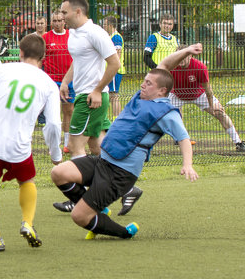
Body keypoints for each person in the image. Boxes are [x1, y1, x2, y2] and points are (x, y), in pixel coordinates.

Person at [50, 69, 197, 240]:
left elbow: (184, 139)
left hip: (119, 173)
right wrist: (186, 52)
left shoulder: (167, 113)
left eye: (149, 83)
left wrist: (187, 164)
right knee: (59, 173)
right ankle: (97, 210)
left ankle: (124, 233)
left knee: (79, 216)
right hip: (102, 162)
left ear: (162, 91)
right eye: (144, 80)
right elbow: (164, 66)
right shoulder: (141, 98)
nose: (143, 84)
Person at [0, 34, 63, 251]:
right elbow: (53, 125)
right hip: (19, 144)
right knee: (27, 179)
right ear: (43, 57)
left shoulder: (3, 69)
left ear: (20, 52)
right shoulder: (49, 84)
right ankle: (27, 223)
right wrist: (55, 153)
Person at [59, 0, 120, 158]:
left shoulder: (95, 33)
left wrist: (97, 90)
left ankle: (81, 184)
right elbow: (77, 61)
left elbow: (115, 63)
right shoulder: (73, 33)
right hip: (84, 95)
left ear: (78, 11)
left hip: (90, 98)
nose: (61, 16)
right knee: (97, 145)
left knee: (74, 146)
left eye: (64, 12)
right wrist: (65, 81)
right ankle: (116, 180)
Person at [160, 43, 245, 152]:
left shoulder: (200, 67)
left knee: (220, 112)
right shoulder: (171, 66)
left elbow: (208, 90)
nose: (181, 59)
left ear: (190, 56)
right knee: (163, 115)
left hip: (198, 94)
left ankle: (238, 142)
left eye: (184, 56)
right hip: (177, 95)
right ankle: (179, 138)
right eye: (179, 56)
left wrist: (212, 105)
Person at [43, 10, 75, 148]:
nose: (57, 23)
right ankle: (54, 143)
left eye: (59, 20)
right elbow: (41, 58)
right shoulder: (46, 37)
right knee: (53, 113)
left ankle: (67, 143)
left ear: (64, 22)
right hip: (51, 81)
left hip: (68, 81)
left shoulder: (71, 36)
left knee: (69, 111)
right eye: (54, 21)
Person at [102, 15, 126, 119]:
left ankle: (117, 118)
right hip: (110, 70)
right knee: (111, 94)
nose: (103, 26)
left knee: (114, 95)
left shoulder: (116, 37)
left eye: (105, 24)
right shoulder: (110, 37)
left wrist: (113, 67)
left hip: (115, 71)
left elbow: (117, 54)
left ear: (110, 25)